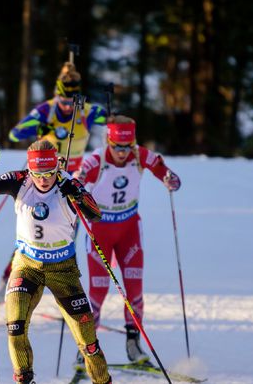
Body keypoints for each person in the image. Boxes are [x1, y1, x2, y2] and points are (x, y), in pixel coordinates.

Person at [0, 137, 112, 384]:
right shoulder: (19, 180)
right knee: (15, 327)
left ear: (57, 167)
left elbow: (95, 215)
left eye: (49, 173)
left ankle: (102, 380)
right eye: (37, 174)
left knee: (88, 342)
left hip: (62, 268)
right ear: (29, 170)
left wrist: (78, 195)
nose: (43, 180)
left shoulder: (67, 183)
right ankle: (25, 379)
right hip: (27, 266)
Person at [75, 115, 181, 364]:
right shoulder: (97, 160)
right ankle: (87, 347)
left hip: (129, 231)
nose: (122, 153)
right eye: (117, 147)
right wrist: (76, 185)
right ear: (108, 142)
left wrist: (170, 179)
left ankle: (133, 343)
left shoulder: (140, 155)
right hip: (100, 231)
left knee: (134, 289)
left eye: (127, 147)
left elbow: (165, 172)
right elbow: (78, 179)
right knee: (98, 290)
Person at [8, 62, 106, 172]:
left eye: (72, 103)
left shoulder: (88, 111)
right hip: (47, 171)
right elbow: (14, 135)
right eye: (64, 102)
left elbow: (110, 120)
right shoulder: (46, 110)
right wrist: (38, 129)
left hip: (75, 172)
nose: (68, 107)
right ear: (57, 97)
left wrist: (111, 117)